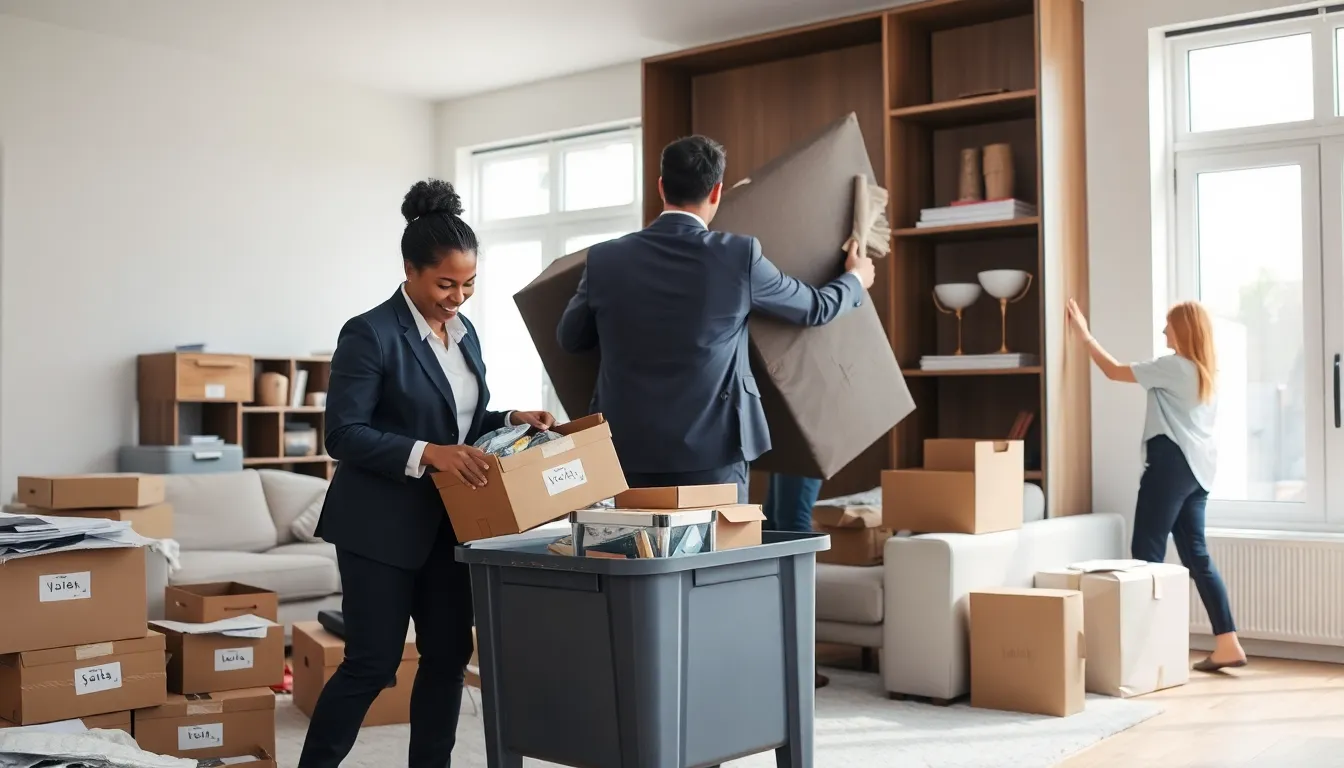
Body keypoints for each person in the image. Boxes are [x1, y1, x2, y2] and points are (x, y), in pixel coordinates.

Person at [299, 179, 556, 767]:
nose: (456, 297)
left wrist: (508, 416)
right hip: (378, 530)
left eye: (468, 285)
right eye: (445, 283)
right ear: (409, 270)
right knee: (372, 662)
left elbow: (458, 418)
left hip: (450, 526)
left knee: (445, 659)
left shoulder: (466, 336)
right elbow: (343, 434)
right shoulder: (369, 333)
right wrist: (429, 452)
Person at [557, 135, 876, 503]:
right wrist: (856, 279)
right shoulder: (739, 256)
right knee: (719, 558)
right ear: (717, 191)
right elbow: (814, 307)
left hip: (625, 450)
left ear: (661, 186)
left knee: (634, 556)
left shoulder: (604, 260)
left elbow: (570, 338)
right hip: (713, 451)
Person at [1067, 298, 1246, 672]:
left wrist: (1084, 335)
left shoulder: (1174, 367)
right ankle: (1227, 643)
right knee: (1196, 556)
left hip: (1170, 465)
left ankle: (1141, 654)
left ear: (1183, 329)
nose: (1164, 330)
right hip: (1198, 472)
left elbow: (1114, 371)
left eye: (1169, 324)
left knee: (1145, 552)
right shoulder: (1205, 372)